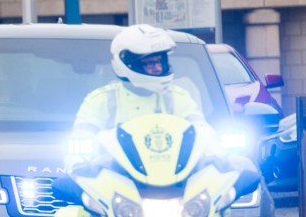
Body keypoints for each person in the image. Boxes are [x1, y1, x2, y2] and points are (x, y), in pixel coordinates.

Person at [68, 24, 206, 166]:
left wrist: (215, 155)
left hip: (175, 176)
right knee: (64, 186)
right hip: (115, 178)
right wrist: (79, 163)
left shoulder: (178, 97)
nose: (158, 68)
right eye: (150, 63)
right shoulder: (101, 100)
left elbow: (202, 132)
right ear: (128, 65)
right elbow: (81, 138)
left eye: (160, 61)